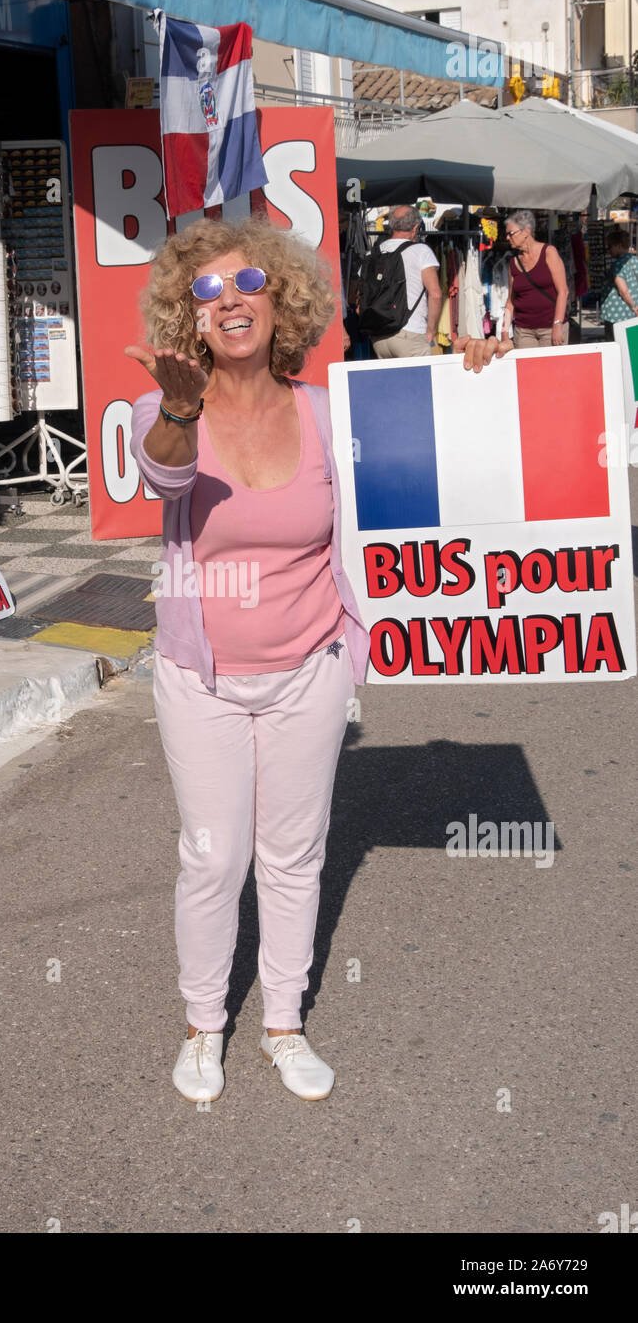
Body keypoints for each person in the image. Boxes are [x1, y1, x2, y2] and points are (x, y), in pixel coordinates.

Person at [124, 215, 510, 1105]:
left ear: (280, 298)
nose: (230, 303)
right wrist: (182, 409)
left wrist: (478, 379)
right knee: (215, 856)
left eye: (247, 284)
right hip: (204, 675)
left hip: (310, 666)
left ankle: (284, 1023)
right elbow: (165, 473)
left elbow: (434, 442)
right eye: (208, 290)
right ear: (191, 314)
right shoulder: (166, 405)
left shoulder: (328, 412)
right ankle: (201, 1025)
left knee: (295, 853)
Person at [370, 204, 442, 359]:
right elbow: (435, 294)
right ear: (415, 228)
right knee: (419, 382)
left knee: (392, 383)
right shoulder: (421, 251)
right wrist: (431, 330)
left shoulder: (374, 253)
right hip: (411, 333)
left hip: (379, 337)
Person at [502, 209, 569, 348]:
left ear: (526, 231)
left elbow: (563, 291)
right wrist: (504, 332)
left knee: (553, 369)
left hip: (550, 328)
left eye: (511, 233)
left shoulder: (549, 252)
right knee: (526, 369)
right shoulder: (513, 263)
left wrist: (558, 324)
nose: (507, 238)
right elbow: (511, 301)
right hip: (523, 331)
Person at [600, 228, 638, 340]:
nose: (608, 250)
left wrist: (634, 307)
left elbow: (623, 291)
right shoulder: (635, 260)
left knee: (616, 346)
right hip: (630, 315)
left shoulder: (618, 265)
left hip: (616, 315)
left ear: (619, 245)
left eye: (610, 246)